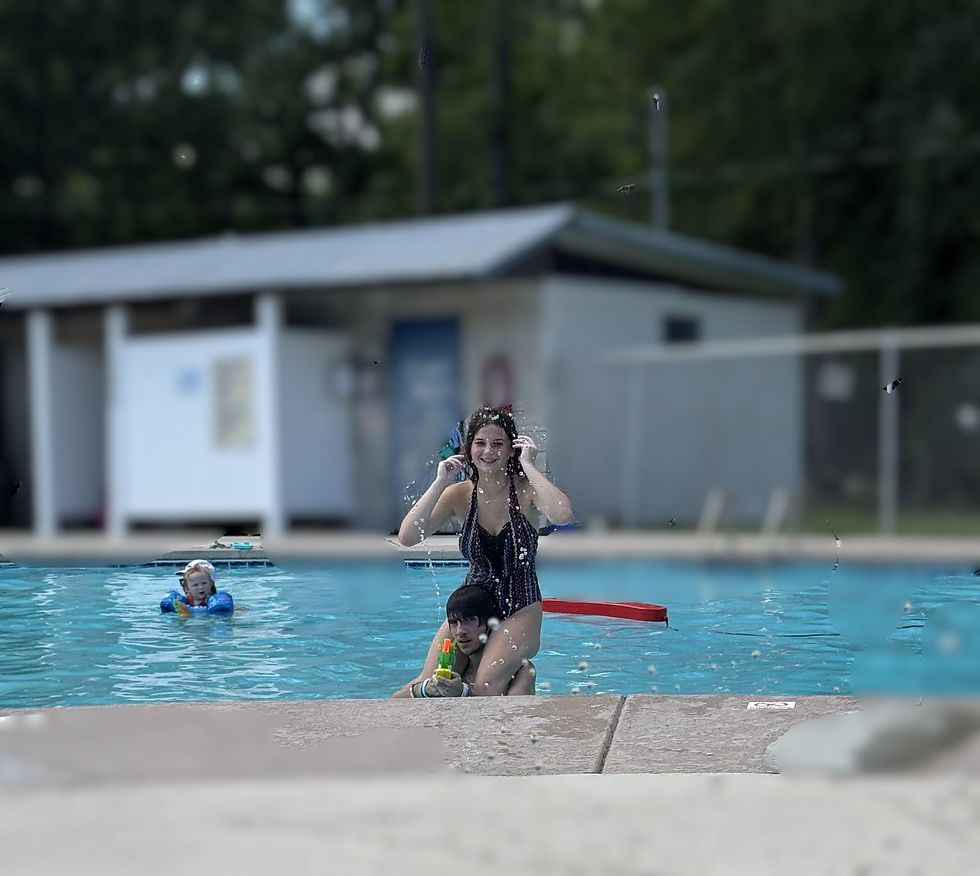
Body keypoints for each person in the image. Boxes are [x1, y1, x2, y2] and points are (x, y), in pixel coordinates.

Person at [397, 405, 572, 695]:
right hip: (472, 608)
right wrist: (441, 481)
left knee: (485, 687)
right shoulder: (460, 495)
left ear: (510, 448)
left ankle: (515, 679)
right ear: (469, 449)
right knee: (428, 682)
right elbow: (408, 536)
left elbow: (562, 514)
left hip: (521, 605)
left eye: (498, 444)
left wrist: (529, 465)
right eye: (480, 443)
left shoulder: (526, 490)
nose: (488, 451)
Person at [392, 583, 535, 698]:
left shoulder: (522, 670)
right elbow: (394, 700)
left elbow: (515, 722)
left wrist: (461, 692)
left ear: (489, 624)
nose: (460, 631)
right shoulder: (457, 671)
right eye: (454, 622)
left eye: (468, 620)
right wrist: (425, 689)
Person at [160, 559, 234, 614]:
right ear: (187, 588)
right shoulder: (184, 602)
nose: (200, 587)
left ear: (210, 583)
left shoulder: (217, 602)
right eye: (195, 585)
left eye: (204, 583)